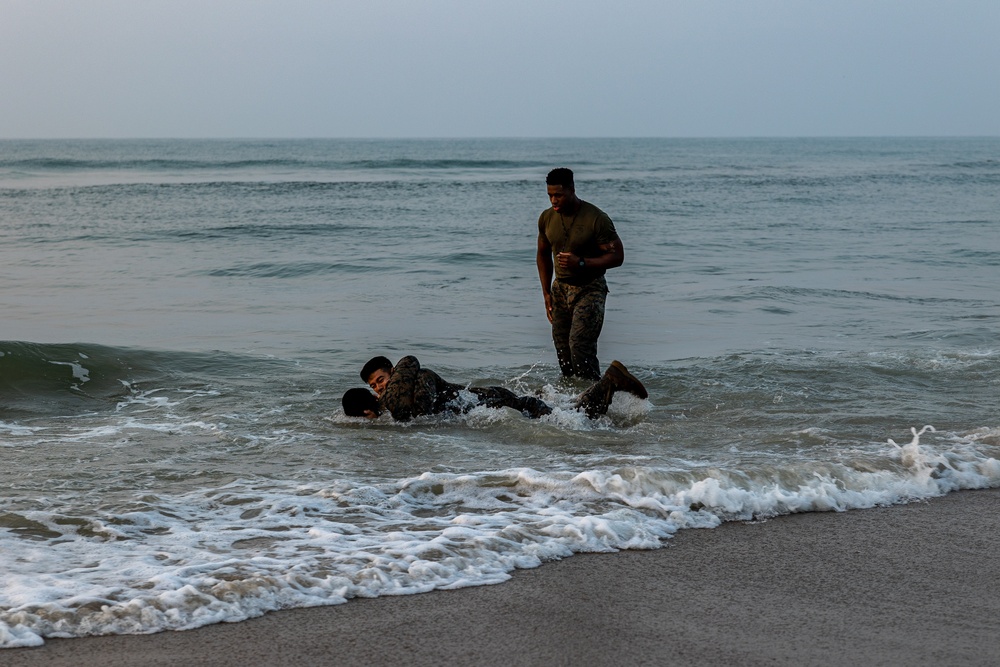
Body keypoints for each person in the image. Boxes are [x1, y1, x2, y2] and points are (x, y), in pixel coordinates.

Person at [343, 355, 647, 422]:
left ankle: (611, 381)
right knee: (565, 413)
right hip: (492, 402)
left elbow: (423, 413)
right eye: (374, 387)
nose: (380, 389)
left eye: (381, 381)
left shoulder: (420, 377)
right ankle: (608, 385)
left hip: (494, 400)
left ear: (393, 373)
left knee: (575, 419)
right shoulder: (400, 395)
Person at [536, 167, 624, 381]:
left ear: (572, 190)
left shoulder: (596, 218)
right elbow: (542, 254)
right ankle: (570, 403)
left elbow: (617, 256)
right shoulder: (546, 218)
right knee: (563, 350)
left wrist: (581, 262)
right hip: (560, 290)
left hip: (590, 289)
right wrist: (546, 292)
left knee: (580, 347)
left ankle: (595, 397)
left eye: (558, 195)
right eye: (550, 195)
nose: (553, 201)